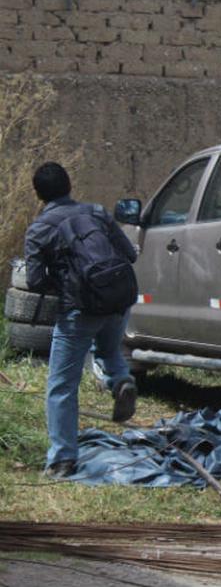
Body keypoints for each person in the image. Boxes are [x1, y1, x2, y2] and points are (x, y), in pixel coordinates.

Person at [24, 162, 139, 479]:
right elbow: (129, 254)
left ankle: (63, 460)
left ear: (39, 195)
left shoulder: (39, 229)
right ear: (69, 185)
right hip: (119, 299)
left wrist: (63, 284)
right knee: (109, 350)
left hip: (79, 311)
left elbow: (34, 281)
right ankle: (122, 381)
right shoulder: (98, 212)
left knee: (61, 387)